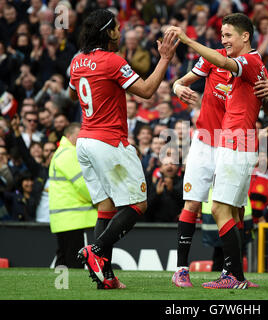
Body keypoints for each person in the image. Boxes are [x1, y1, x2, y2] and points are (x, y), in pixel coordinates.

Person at [68, 9, 179, 289]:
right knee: (137, 204)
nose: (120, 32)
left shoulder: (77, 60)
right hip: (109, 141)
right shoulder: (113, 61)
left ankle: (107, 278)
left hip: (84, 140)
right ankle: (96, 249)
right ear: (108, 33)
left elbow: (72, 93)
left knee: (105, 208)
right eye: (117, 28)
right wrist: (165, 58)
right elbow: (146, 91)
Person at [166, 13, 268, 289]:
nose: (223, 40)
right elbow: (267, 105)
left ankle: (234, 275)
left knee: (223, 209)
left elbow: (227, 63)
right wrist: (177, 85)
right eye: (222, 35)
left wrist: (188, 40)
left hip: (235, 142)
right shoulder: (250, 64)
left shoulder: (246, 62)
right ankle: (198, 271)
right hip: (216, 140)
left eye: (228, 35)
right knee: (212, 206)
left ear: (245, 36)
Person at [48, 123, 97, 269]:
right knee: (73, 261)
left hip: (65, 218)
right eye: (79, 135)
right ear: (69, 136)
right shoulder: (69, 154)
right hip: (73, 217)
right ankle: (67, 289)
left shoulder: (62, 153)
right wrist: (99, 200)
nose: (83, 138)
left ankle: (60, 289)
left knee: (63, 260)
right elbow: (83, 184)